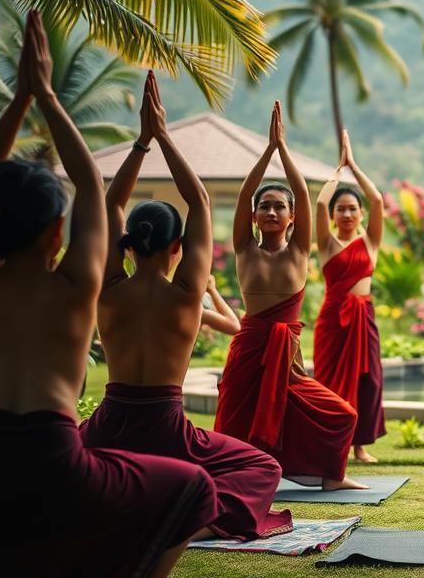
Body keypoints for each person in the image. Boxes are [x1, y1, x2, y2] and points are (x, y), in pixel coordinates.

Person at [0, 13, 215, 578]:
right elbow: (92, 185)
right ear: (57, 232)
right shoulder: (78, 287)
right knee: (194, 488)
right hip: (55, 460)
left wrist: (19, 102)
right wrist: (44, 95)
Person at [81, 71, 293, 542]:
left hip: (109, 424)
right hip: (165, 431)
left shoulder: (110, 287)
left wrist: (141, 145)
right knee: (261, 467)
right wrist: (162, 135)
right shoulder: (184, 295)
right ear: (178, 247)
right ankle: (198, 524)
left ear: (127, 245)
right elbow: (198, 200)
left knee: (50, 459)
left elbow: (111, 204)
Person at [213, 103, 363, 490]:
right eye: (265, 206)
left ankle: (332, 477)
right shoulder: (245, 248)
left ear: (292, 217)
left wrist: (283, 149)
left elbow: (300, 190)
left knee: (342, 415)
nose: (272, 210)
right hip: (249, 348)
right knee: (232, 421)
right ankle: (231, 478)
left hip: (287, 353)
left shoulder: (298, 250)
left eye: (280, 206)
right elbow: (249, 189)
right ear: (253, 215)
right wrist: (267, 152)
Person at [313, 130, 386, 464]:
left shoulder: (369, 241)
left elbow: (378, 201)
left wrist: (353, 166)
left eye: (352, 209)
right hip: (333, 318)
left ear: (359, 213)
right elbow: (317, 202)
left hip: (363, 316)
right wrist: (336, 172)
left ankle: (359, 446)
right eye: (340, 209)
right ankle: (332, 444)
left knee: (367, 380)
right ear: (334, 215)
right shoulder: (327, 243)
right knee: (328, 382)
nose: (346, 214)